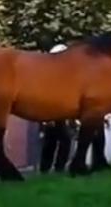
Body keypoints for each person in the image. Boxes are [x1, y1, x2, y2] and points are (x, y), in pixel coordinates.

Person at [39, 43, 73, 173]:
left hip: (59, 112)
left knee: (53, 141)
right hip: (53, 112)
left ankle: (47, 169)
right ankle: (56, 169)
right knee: (61, 140)